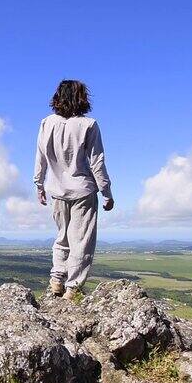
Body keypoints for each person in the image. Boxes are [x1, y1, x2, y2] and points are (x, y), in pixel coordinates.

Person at [33, 79, 114, 300]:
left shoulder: (46, 123)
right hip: (83, 191)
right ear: (82, 98)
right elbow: (97, 163)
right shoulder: (89, 125)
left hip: (56, 190)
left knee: (62, 237)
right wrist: (107, 193)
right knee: (81, 241)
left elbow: (40, 157)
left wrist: (39, 185)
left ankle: (57, 279)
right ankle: (73, 289)